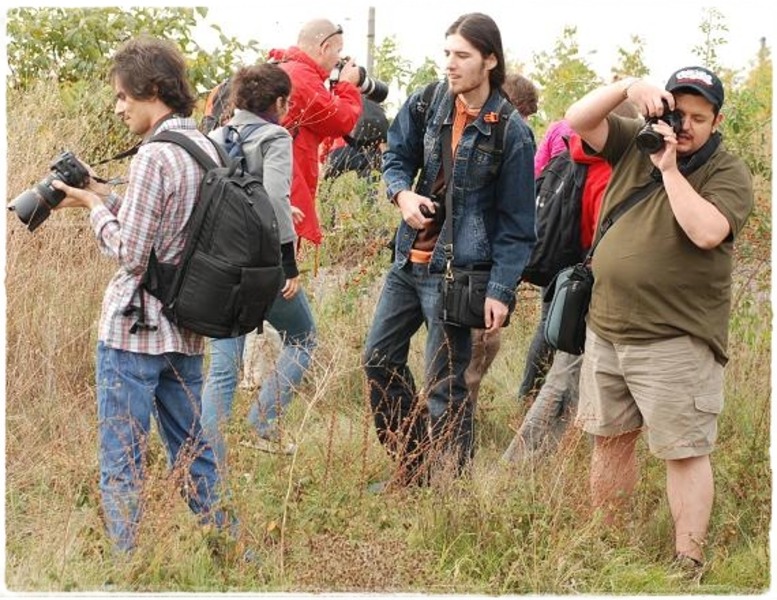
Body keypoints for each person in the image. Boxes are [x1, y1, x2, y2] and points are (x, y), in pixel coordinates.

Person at [565, 66, 753, 573]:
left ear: (716, 121)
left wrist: (670, 170)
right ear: (663, 107)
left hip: (676, 339)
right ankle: (609, 546)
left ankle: (687, 560)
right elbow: (576, 118)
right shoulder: (633, 140)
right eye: (679, 112)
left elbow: (708, 232)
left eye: (699, 117)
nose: (686, 125)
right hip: (608, 329)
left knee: (684, 450)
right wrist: (628, 88)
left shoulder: (727, 171)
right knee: (609, 441)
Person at [49, 36, 232, 553]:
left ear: (152, 89)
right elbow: (175, 223)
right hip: (188, 328)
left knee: (122, 460)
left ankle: (127, 565)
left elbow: (132, 250)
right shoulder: (207, 145)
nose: (118, 106)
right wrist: (106, 191)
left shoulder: (154, 157)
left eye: (123, 95)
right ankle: (229, 549)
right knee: (196, 453)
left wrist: (91, 206)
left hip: (132, 331)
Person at [363, 13, 536, 489]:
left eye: (461, 56)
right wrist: (403, 195)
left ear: (490, 60)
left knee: (447, 386)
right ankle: (414, 465)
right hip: (407, 263)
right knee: (378, 359)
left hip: (458, 276)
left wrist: (501, 290)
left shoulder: (512, 132)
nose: (450, 65)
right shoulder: (429, 101)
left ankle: (451, 493)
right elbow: (395, 156)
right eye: (447, 54)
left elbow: (519, 227)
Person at [502, 100, 639, 463]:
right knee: (564, 376)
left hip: (563, 275)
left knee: (560, 361)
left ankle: (544, 454)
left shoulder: (570, 156)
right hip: (589, 282)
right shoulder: (610, 172)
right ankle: (520, 464)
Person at [200, 64, 317, 469]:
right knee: (303, 339)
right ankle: (262, 425)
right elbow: (274, 202)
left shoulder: (215, 137)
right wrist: (289, 264)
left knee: (222, 369)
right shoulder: (275, 136)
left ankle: (207, 458)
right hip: (262, 268)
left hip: (219, 268)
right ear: (280, 102)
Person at [464, 72, 538, 411]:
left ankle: (457, 424)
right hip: (478, 268)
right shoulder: (486, 143)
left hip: (489, 266)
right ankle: (451, 434)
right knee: (473, 355)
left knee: (482, 349)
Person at [267, 19, 363, 246]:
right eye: (338, 51)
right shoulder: (300, 77)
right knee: (282, 270)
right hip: (285, 188)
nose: (339, 59)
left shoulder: (280, 66)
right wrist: (347, 85)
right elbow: (341, 120)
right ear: (325, 48)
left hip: (273, 186)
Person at [516, 117, 577, 403]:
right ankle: (545, 397)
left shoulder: (559, 128)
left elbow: (534, 179)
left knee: (548, 321)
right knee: (564, 324)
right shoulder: (618, 139)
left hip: (552, 242)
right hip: (576, 244)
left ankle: (529, 395)